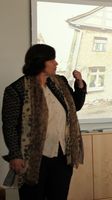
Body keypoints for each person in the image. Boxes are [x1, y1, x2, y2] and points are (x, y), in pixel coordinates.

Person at [1, 44, 87, 200]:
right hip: (33, 158)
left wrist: (80, 84)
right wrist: (15, 155)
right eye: (52, 60)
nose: (56, 63)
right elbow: (9, 126)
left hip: (62, 155)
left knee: (59, 196)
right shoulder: (16, 89)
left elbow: (76, 106)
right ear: (40, 62)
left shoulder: (59, 82)